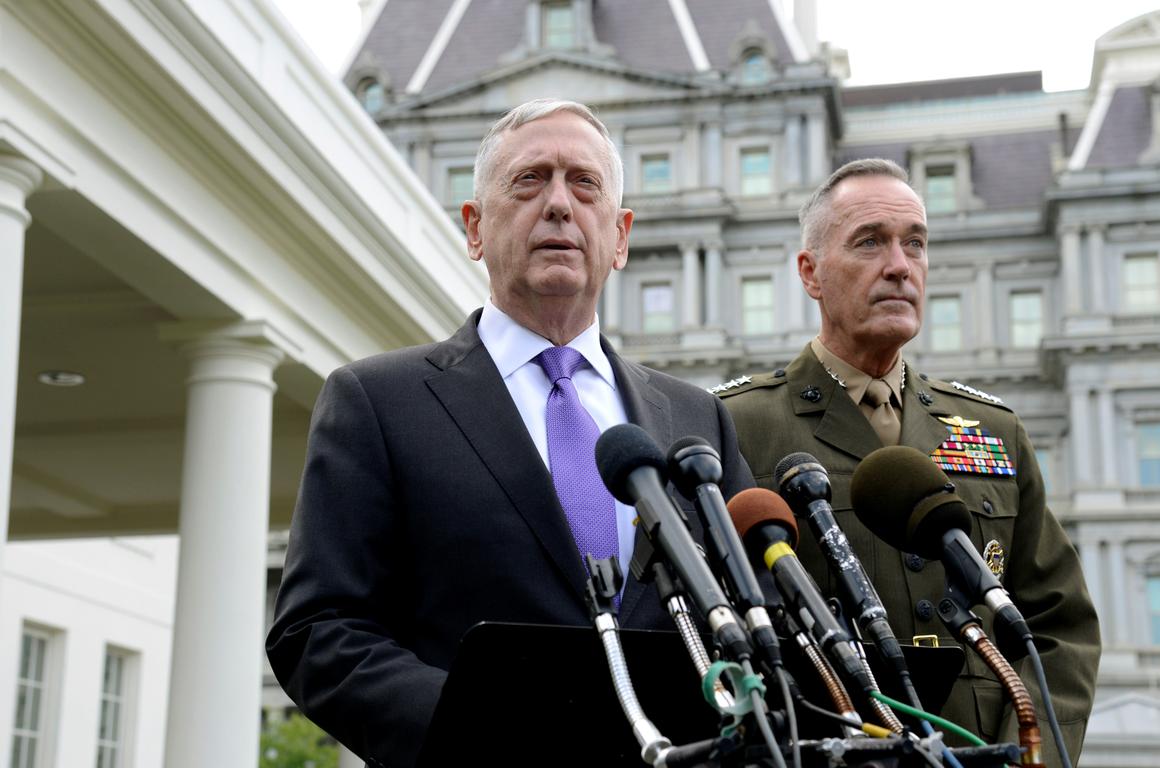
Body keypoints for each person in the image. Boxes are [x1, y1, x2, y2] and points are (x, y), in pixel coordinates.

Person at [266, 99, 753, 767]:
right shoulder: (377, 403)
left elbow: (755, 622)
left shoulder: (697, 418)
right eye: (529, 180)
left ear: (620, 236)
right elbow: (317, 632)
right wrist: (487, 728)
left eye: (584, 184)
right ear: (473, 228)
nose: (559, 204)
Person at [717, 159, 1100, 766]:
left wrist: (1034, 755)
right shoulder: (736, 426)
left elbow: (1058, 622)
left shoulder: (992, 431)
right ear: (811, 273)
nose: (899, 265)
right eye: (870, 242)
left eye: (914, 244)